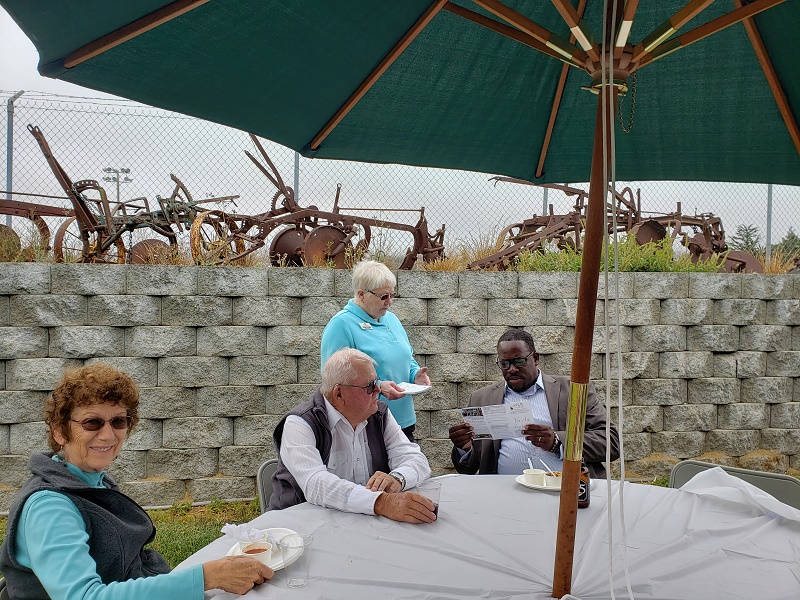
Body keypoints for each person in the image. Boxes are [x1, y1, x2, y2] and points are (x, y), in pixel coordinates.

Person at [0, 363, 272, 600]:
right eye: (92, 422)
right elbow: (84, 596)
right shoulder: (50, 508)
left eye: (118, 421)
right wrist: (206, 577)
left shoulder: (90, 482)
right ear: (60, 432)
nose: (108, 435)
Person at [269, 348, 436, 524]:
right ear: (339, 393)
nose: (378, 389)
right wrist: (381, 502)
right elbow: (315, 484)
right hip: (300, 527)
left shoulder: (379, 414)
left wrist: (397, 479)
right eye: (370, 386)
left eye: (377, 382)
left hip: (361, 524)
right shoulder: (300, 423)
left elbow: (417, 460)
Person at [449, 329, 619, 478]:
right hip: (505, 495)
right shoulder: (481, 399)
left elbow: (610, 442)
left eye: (519, 361)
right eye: (504, 364)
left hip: (566, 493)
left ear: (535, 358)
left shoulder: (572, 390)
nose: (512, 369)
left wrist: (558, 442)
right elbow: (468, 469)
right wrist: (464, 448)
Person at [320, 259, 430, 441]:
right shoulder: (341, 324)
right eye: (383, 296)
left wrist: (415, 374)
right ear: (361, 294)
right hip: (367, 424)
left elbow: (407, 357)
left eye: (392, 295)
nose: (389, 302)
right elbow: (333, 380)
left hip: (403, 421)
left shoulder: (391, 319)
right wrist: (378, 386)